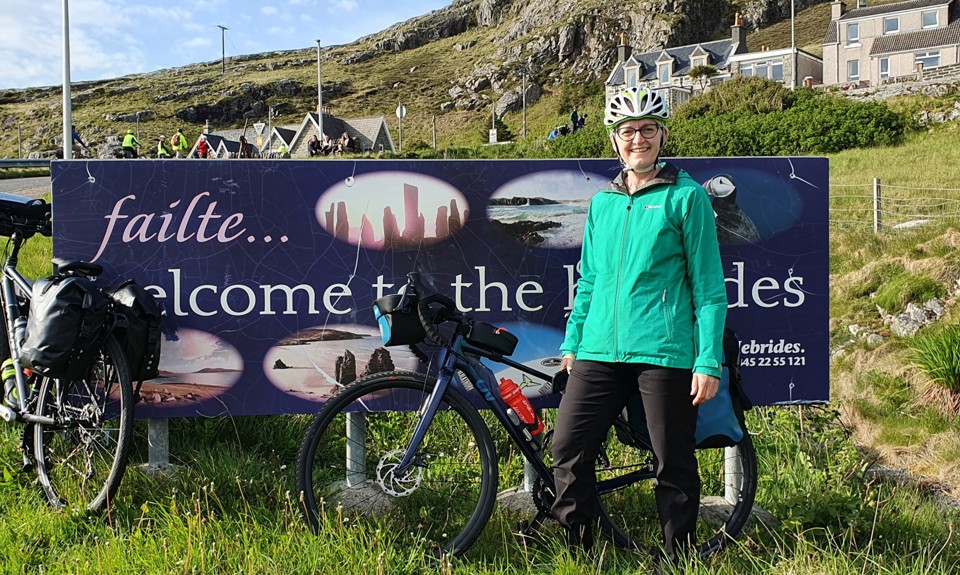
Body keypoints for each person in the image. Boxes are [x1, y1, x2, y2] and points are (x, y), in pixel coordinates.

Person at [550, 87, 727, 565]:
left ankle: (680, 559)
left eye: (647, 129)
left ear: (662, 134)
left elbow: (709, 288)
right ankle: (579, 554)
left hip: (665, 351)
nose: (637, 138)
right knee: (567, 451)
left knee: (672, 461)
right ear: (615, 141)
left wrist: (708, 358)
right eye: (627, 131)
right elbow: (588, 280)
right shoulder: (603, 204)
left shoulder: (685, 197)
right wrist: (573, 343)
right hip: (598, 351)